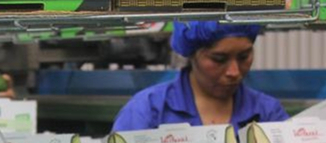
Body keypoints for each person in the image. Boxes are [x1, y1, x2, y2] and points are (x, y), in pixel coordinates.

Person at [112, 22, 288, 133]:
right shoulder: (148, 110)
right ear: (192, 55)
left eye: (244, 57)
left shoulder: (267, 112)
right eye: (219, 59)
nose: (234, 72)